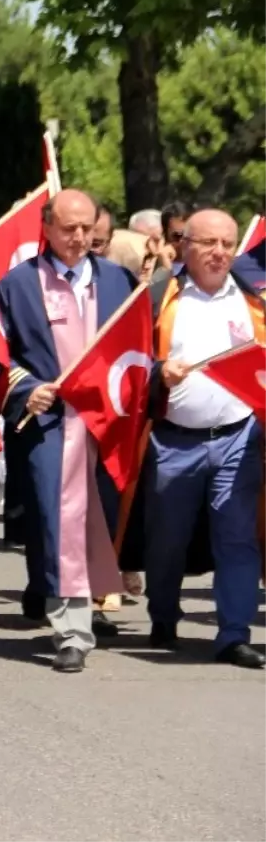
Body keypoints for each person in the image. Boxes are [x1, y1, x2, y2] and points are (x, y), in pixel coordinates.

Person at [0, 189, 138, 673]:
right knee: (58, 520)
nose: (78, 238)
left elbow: (140, 351)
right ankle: (72, 631)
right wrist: (25, 387)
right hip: (49, 423)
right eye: (67, 228)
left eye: (86, 228)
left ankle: (91, 599)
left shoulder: (121, 282)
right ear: (47, 228)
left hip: (107, 422)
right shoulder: (16, 285)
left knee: (101, 515)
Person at [122, 210, 265, 668]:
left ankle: (234, 633)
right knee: (167, 537)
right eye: (209, 243)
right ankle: (163, 614)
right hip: (173, 439)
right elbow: (126, 360)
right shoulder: (160, 297)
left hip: (238, 437)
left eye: (227, 244)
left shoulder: (251, 302)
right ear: (185, 245)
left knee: (237, 536)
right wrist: (158, 373)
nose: (220, 252)